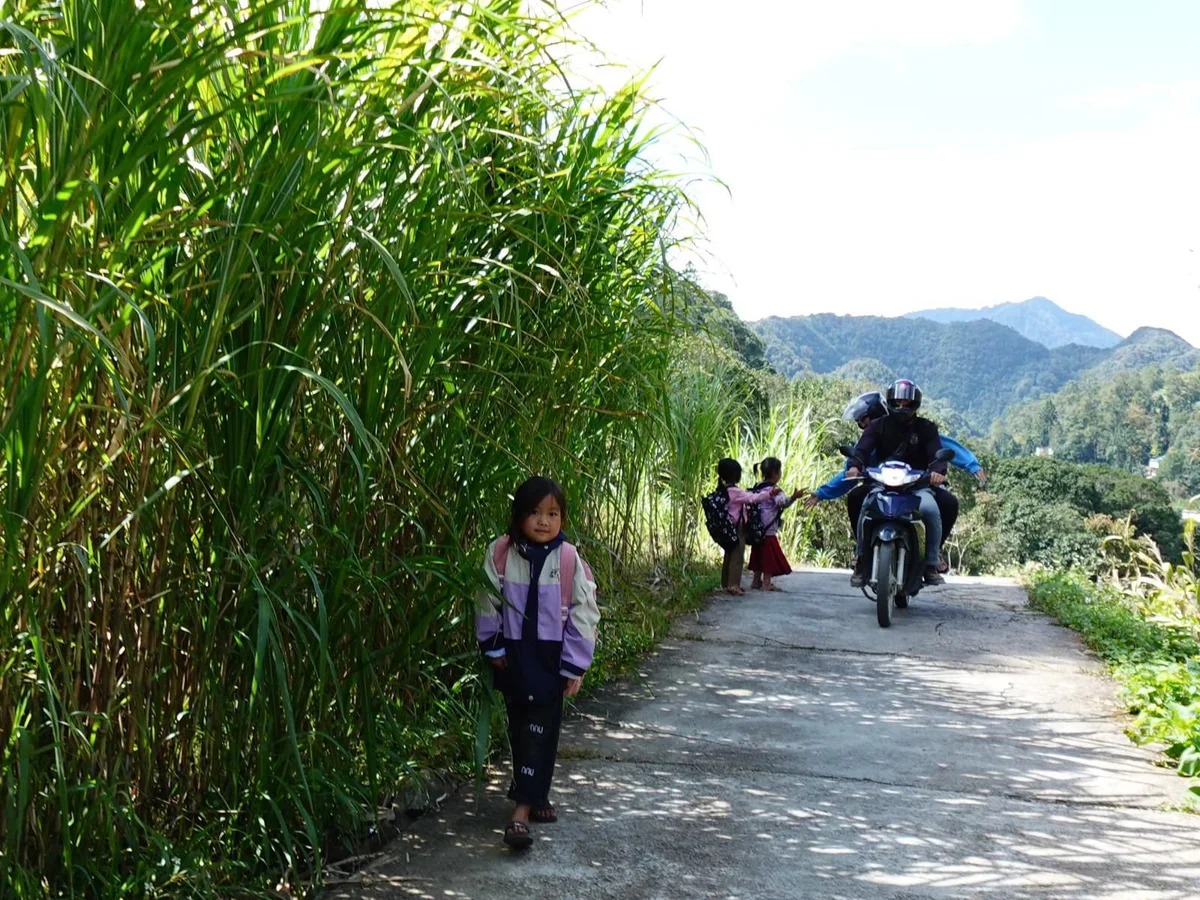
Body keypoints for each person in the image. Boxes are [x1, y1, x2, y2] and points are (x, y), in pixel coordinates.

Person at [476, 476, 600, 850]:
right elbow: (486, 599)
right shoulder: (500, 552)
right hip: (513, 655)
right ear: (518, 515)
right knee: (520, 727)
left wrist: (575, 664)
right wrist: (492, 646)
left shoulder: (567, 559)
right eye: (534, 512)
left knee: (541, 729)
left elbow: (585, 611)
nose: (543, 521)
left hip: (550, 659)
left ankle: (520, 813)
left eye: (553, 513)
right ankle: (538, 795)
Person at [805, 391, 987, 570]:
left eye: (864, 419)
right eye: (860, 422)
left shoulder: (920, 428)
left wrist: (970, 465)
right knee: (856, 498)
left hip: (915, 485)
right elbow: (852, 468)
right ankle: (861, 553)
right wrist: (823, 493)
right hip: (880, 485)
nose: (862, 425)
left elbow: (942, 447)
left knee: (947, 503)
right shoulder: (875, 432)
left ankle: (933, 554)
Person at [843, 380, 948, 587]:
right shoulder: (877, 426)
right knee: (865, 507)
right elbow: (862, 449)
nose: (901, 407)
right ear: (890, 401)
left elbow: (937, 455)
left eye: (906, 403)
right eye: (897, 402)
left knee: (931, 510)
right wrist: (854, 466)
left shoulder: (926, 428)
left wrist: (938, 471)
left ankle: (931, 562)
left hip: (916, 485)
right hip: (882, 483)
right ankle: (861, 559)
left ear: (915, 404)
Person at [714, 457, 782, 596]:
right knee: (737, 557)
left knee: (728, 556)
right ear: (736, 475)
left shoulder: (722, 490)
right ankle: (734, 585)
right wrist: (769, 493)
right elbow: (752, 498)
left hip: (726, 527)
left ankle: (725, 583)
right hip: (737, 528)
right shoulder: (736, 492)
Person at [748, 457, 804, 591]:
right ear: (776, 473)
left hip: (757, 527)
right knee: (769, 556)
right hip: (768, 529)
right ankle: (766, 583)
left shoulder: (757, 487)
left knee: (758, 554)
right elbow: (783, 503)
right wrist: (794, 497)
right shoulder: (775, 491)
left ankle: (756, 581)